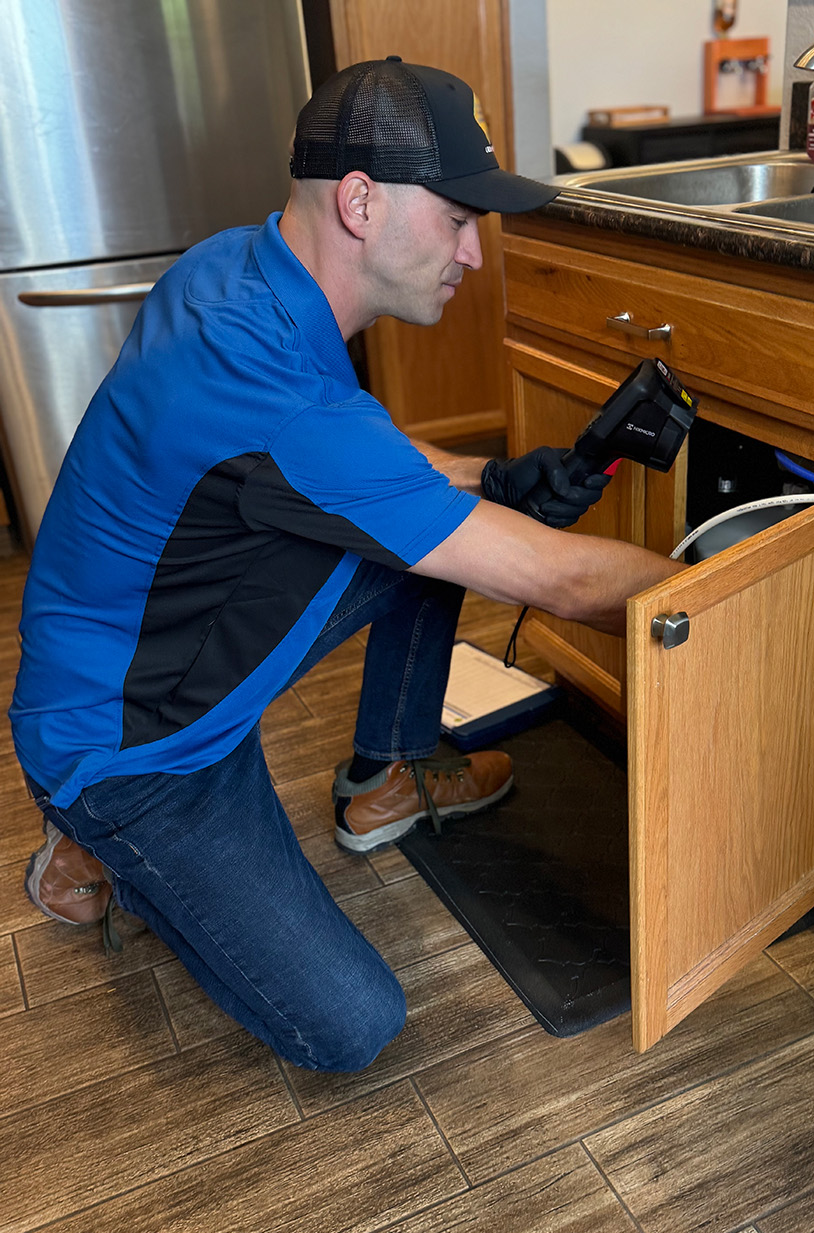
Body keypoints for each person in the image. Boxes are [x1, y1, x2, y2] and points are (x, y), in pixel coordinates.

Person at [9, 57, 684, 1071]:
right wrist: (729, 593)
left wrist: (493, 478)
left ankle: (389, 773)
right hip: (133, 751)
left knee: (451, 524)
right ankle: (92, 847)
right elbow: (564, 583)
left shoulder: (235, 268)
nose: (472, 252)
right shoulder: (271, 384)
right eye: (457, 218)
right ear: (362, 202)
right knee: (350, 1026)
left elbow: (365, 458)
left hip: (159, 649)